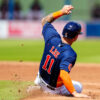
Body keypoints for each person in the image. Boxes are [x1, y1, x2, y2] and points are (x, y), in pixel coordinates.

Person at [32, 5, 89, 98]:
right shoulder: (70, 54)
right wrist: (75, 93)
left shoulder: (52, 37)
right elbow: (63, 74)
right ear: (75, 37)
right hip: (52, 89)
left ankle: (38, 86)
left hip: (39, 80)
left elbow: (44, 21)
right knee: (79, 87)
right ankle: (50, 93)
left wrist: (61, 12)